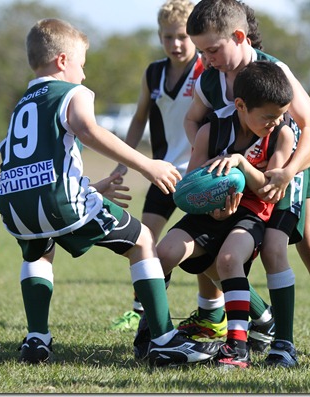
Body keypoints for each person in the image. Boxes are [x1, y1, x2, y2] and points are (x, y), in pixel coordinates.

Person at [0, 18, 221, 367]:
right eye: (82, 66)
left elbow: (22, 158)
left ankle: (37, 339)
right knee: (143, 240)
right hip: (59, 201)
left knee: (38, 254)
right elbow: (88, 129)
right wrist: (149, 165)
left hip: (13, 202)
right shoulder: (72, 92)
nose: (84, 76)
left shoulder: (22, 103)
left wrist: (90, 188)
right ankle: (163, 340)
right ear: (63, 61)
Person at [183, 0, 310, 362]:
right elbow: (193, 120)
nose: (207, 57)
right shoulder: (209, 78)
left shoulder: (273, 70)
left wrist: (288, 170)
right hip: (244, 169)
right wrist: (205, 161)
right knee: (211, 236)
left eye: (213, 49)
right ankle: (230, 318)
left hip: (295, 160)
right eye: (201, 51)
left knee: (307, 244)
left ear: (238, 36)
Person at [156, 60, 297, 368]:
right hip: (211, 211)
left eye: (282, 114)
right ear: (241, 105)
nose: (277, 121)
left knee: (230, 260)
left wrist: (242, 165)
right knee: (163, 253)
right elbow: (189, 190)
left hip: (252, 212)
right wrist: (212, 208)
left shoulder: (281, 136)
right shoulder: (211, 130)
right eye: (270, 116)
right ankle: (156, 337)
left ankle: (237, 347)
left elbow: (268, 190)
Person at [107, 0, 209, 333]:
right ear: (159, 37)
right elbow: (138, 119)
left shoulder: (207, 69)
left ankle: (221, 312)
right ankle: (140, 310)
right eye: (168, 37)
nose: (176, 44)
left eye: (182, 36)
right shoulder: (153, 73)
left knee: (199, 248)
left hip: (196, 175)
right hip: (162, 172)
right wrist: (123, 162)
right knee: (143, 242)